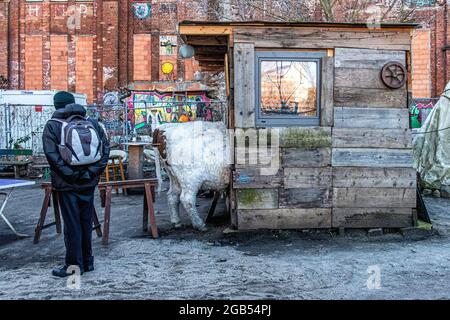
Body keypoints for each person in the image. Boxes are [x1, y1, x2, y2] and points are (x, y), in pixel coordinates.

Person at [42, 91, 110, 278]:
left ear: (57, 106)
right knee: (85, 221)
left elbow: (52, 156)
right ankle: (87, 262)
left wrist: (72, 175)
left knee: (72, 224)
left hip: (67, 184)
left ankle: (74, 265)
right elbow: (105, 150)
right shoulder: (93, 123)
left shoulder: (53, 126)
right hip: (89, 182)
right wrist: (90, 173)